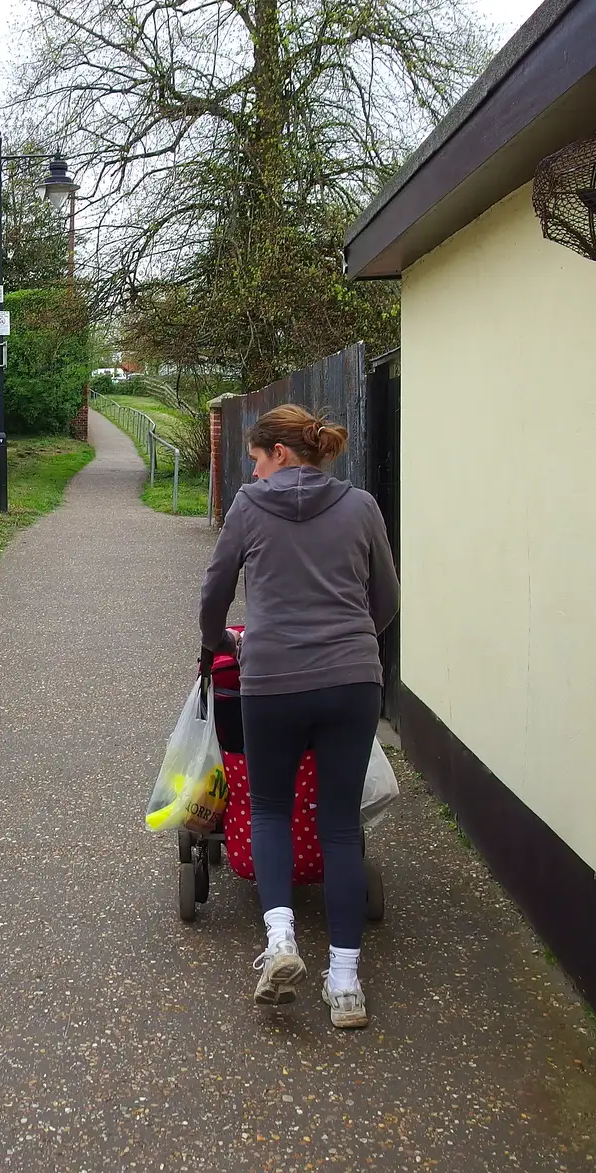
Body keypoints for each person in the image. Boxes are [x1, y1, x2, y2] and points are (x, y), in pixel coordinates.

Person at [198, 404, 399, 1029]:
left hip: (273, 681)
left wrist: (220, 641)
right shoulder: (362, 506)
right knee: (340, 828)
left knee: (270, 809)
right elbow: (386, 601)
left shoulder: (250, 509)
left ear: (280, 453)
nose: (253, 474)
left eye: (256, 460)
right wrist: (352, 644)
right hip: (352, 681)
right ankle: (345, 987)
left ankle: (281, 942)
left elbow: (216, 590)